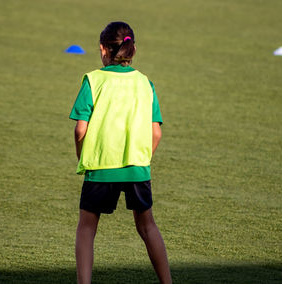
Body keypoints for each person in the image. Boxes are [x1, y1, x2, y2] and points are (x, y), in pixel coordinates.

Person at [69, 21, 172, 284]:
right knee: (147, 226)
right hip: (138, 166)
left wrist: (83, 157)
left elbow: (81, 130)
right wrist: (141, 158)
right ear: (133, 49)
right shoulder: (145, 83)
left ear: (103, 50)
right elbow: (156, 133)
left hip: (100, 168)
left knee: (87, 228)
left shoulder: (93, 80)